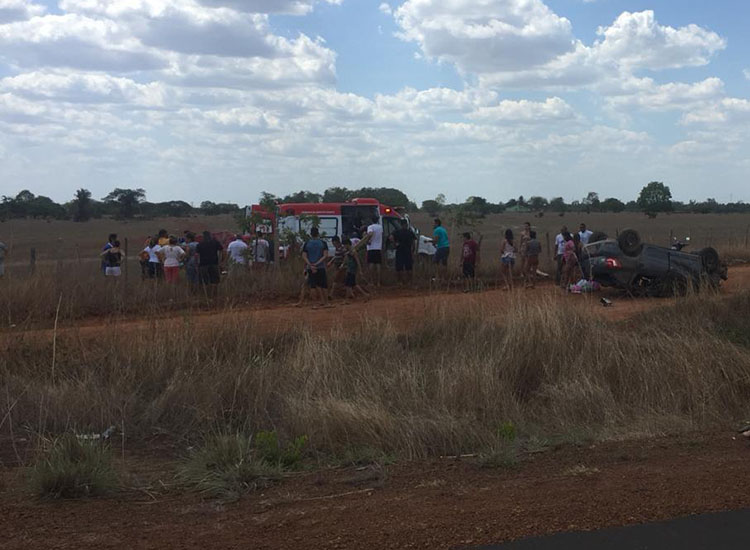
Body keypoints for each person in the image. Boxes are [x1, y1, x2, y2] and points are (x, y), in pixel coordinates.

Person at [302, 227, 331, 308]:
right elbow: (325, 256)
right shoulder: (323, 243)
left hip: (310, 268)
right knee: (324, 285)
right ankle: (326, 303)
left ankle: (314, 304)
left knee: (313, 286)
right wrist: (317, 264)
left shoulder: (307, 243)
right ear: (318, 233)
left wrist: (311, 265)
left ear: (311, 234)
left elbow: (304, 256)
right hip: (321, 267)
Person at [341, 238, 370, 304]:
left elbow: (357, 261)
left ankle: (365, 295)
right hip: (350, 269)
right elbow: (346, 258)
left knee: (351, 284)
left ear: (347, 244)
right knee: (350, 284)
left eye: (344, 245)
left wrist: (360, 270)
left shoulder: (353, 251)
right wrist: (343, 264)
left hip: (352, 269)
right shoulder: (348, 251)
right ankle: (364, 295)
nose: (344, 246)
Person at [392, 219, 416, 285]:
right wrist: (412, 251)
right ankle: (409, 282)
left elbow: (391, 238)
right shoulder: (410, 232)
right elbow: (413, 243)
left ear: (401, 224)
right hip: (408, 251)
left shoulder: (397, 232)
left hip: (399, 251)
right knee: (409, 267)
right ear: (406, 224)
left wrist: (395, 244)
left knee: (399, 268)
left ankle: (400, 282)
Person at [366, 217, 384, 286]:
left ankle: (371, 282)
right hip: (378, 248)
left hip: (371, 248)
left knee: (371, 265)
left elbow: (370, 233)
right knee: (378, 265)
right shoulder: (380, 227)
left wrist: (368, 240)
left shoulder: (370, 227)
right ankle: (378, 282)